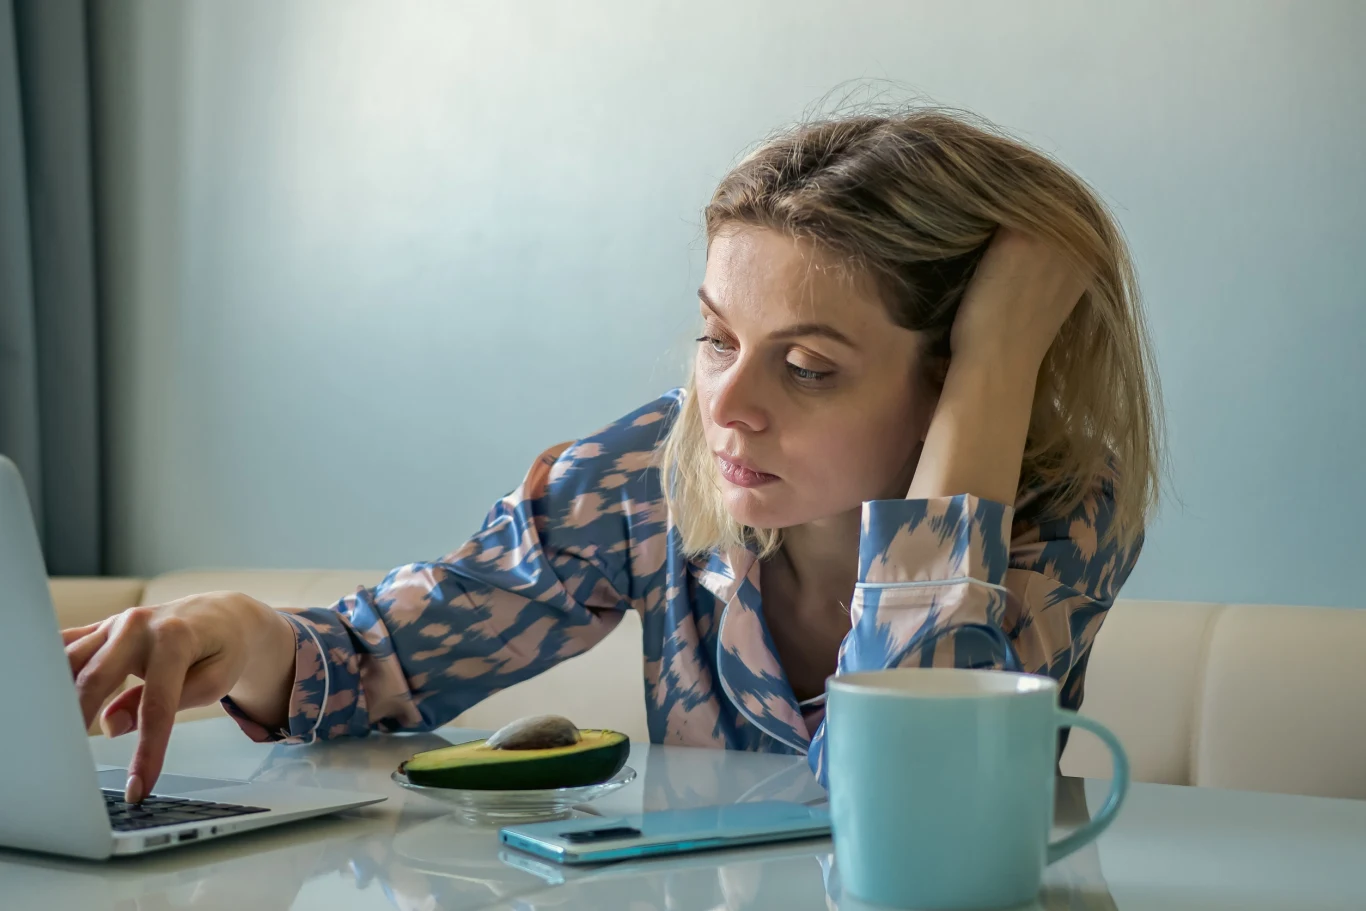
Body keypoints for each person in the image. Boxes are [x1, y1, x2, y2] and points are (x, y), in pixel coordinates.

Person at [63, 108, 1162, 803]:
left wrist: (1000, 362)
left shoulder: (1061, 509)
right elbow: (368, 666)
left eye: (808, 366)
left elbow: (914, 799)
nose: (724, 405)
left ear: (955, 382)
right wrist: (240, 631)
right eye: (716, 338)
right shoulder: (652, 470)